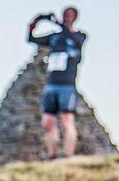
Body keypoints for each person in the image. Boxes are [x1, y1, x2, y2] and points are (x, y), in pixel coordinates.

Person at [28, 6, 87, 159]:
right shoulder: (54, 38)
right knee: (47, 122)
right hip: (51, 84)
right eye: (64, 15)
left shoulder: (79, 36)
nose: (65, 17)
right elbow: (31, 39)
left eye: (68, 15)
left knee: (66, 120)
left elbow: (74, 39)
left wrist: (62, 25)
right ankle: (52, 155)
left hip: (67, 84)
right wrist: (36, 22)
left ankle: (68, 155)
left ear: (75, 17)